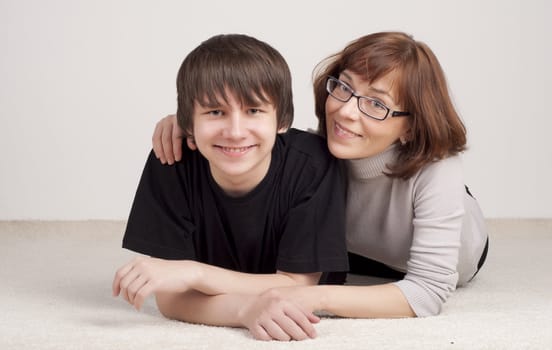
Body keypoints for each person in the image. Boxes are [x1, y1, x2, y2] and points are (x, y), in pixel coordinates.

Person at [151, 31, 489, 341]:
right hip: (355, 254)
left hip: (453, 254)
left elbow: (426, 293)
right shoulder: (319, 152)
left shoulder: (438, 170)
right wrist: (188, 122)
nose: (346, 111)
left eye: (376, 104)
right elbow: (265, 130)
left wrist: (310, 296)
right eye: (344, 87)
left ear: (410, 128)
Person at [112, 33, 349, 341]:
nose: (235, 132)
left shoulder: (313, 164)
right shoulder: (172, 159)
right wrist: (243, 311)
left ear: (282, 120)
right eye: (215, 112)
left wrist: (192, 273)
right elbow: (170, 298)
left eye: (254, 111)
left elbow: (298, 285)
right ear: (188, 125)